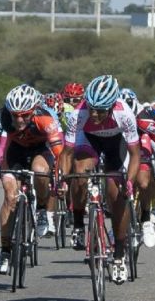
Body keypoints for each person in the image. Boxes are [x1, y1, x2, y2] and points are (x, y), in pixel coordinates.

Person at [60, 75, 140, 284]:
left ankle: (120, 255)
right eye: (92, 108)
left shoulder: (125, 113)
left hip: (116, 145)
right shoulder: (79, 114)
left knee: (117, 196)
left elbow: (135, 154)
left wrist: (129, 182)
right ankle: (78, 224)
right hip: (89, 141)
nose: (94, 114)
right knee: (79, 172)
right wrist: (62, 180)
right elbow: (67, 153)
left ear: (112, 106)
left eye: (101, 110)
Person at [0, 84, 64, 274]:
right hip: (15, 152)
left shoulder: (45, 118)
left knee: (40, 171)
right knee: (10, 196)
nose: (19, 119)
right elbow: (1, 148)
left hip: (41, 150)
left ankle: (41, 209)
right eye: (15, 115)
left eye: (24, 115)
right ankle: (5, 251)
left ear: (33, 110)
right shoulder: (5, 117)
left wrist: (61, 177)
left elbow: (59, 152)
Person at [122, 90, 155, 248]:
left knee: (143, 183)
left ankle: (146, 219)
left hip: (141, 143)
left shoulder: (144, 118)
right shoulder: (113, 115)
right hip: (121, 145)